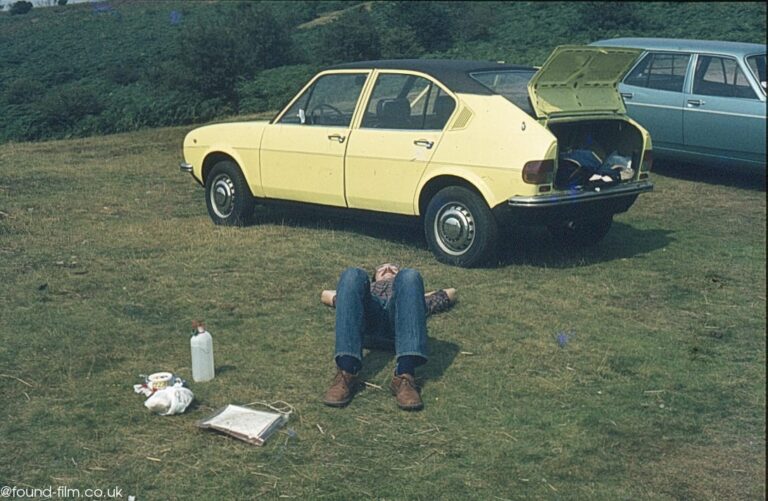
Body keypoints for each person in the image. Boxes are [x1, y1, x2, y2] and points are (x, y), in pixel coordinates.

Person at [320, 263, 456, 411]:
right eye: (381, 269)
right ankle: (346, 373)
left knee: (410, 276)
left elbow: (451, 293)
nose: (387, 270)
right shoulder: (366, 290)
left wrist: (413, 293)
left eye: (393, 269)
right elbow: (325, 294)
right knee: (352, 275)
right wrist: (352, 291)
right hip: (368, 320)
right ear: (374, 278)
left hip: (399, 327)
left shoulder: (407, 289)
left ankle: (405, 376)